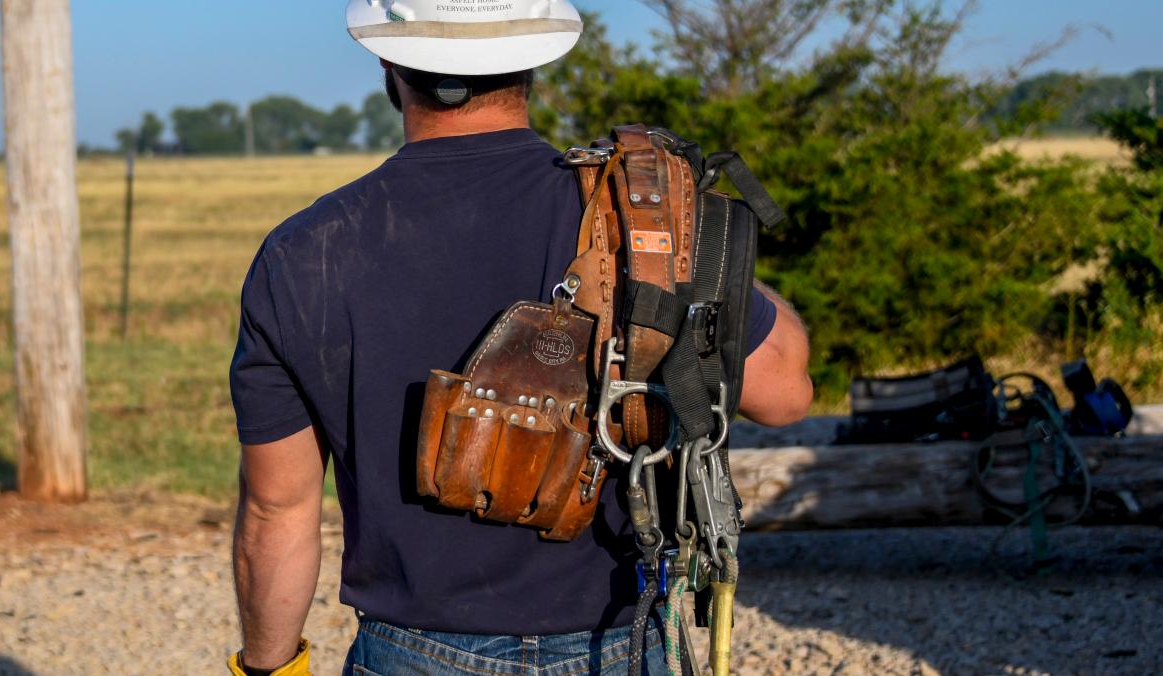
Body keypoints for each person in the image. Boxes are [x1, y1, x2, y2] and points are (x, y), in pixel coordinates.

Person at [227, 2, 814, 674]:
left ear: (387, 60)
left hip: (412, 650)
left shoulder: (301, 254)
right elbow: (787, 392)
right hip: (621, 646)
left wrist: (271, 667)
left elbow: (278, 507)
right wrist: (706, 261)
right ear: (534, 58)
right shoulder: (638, 227)